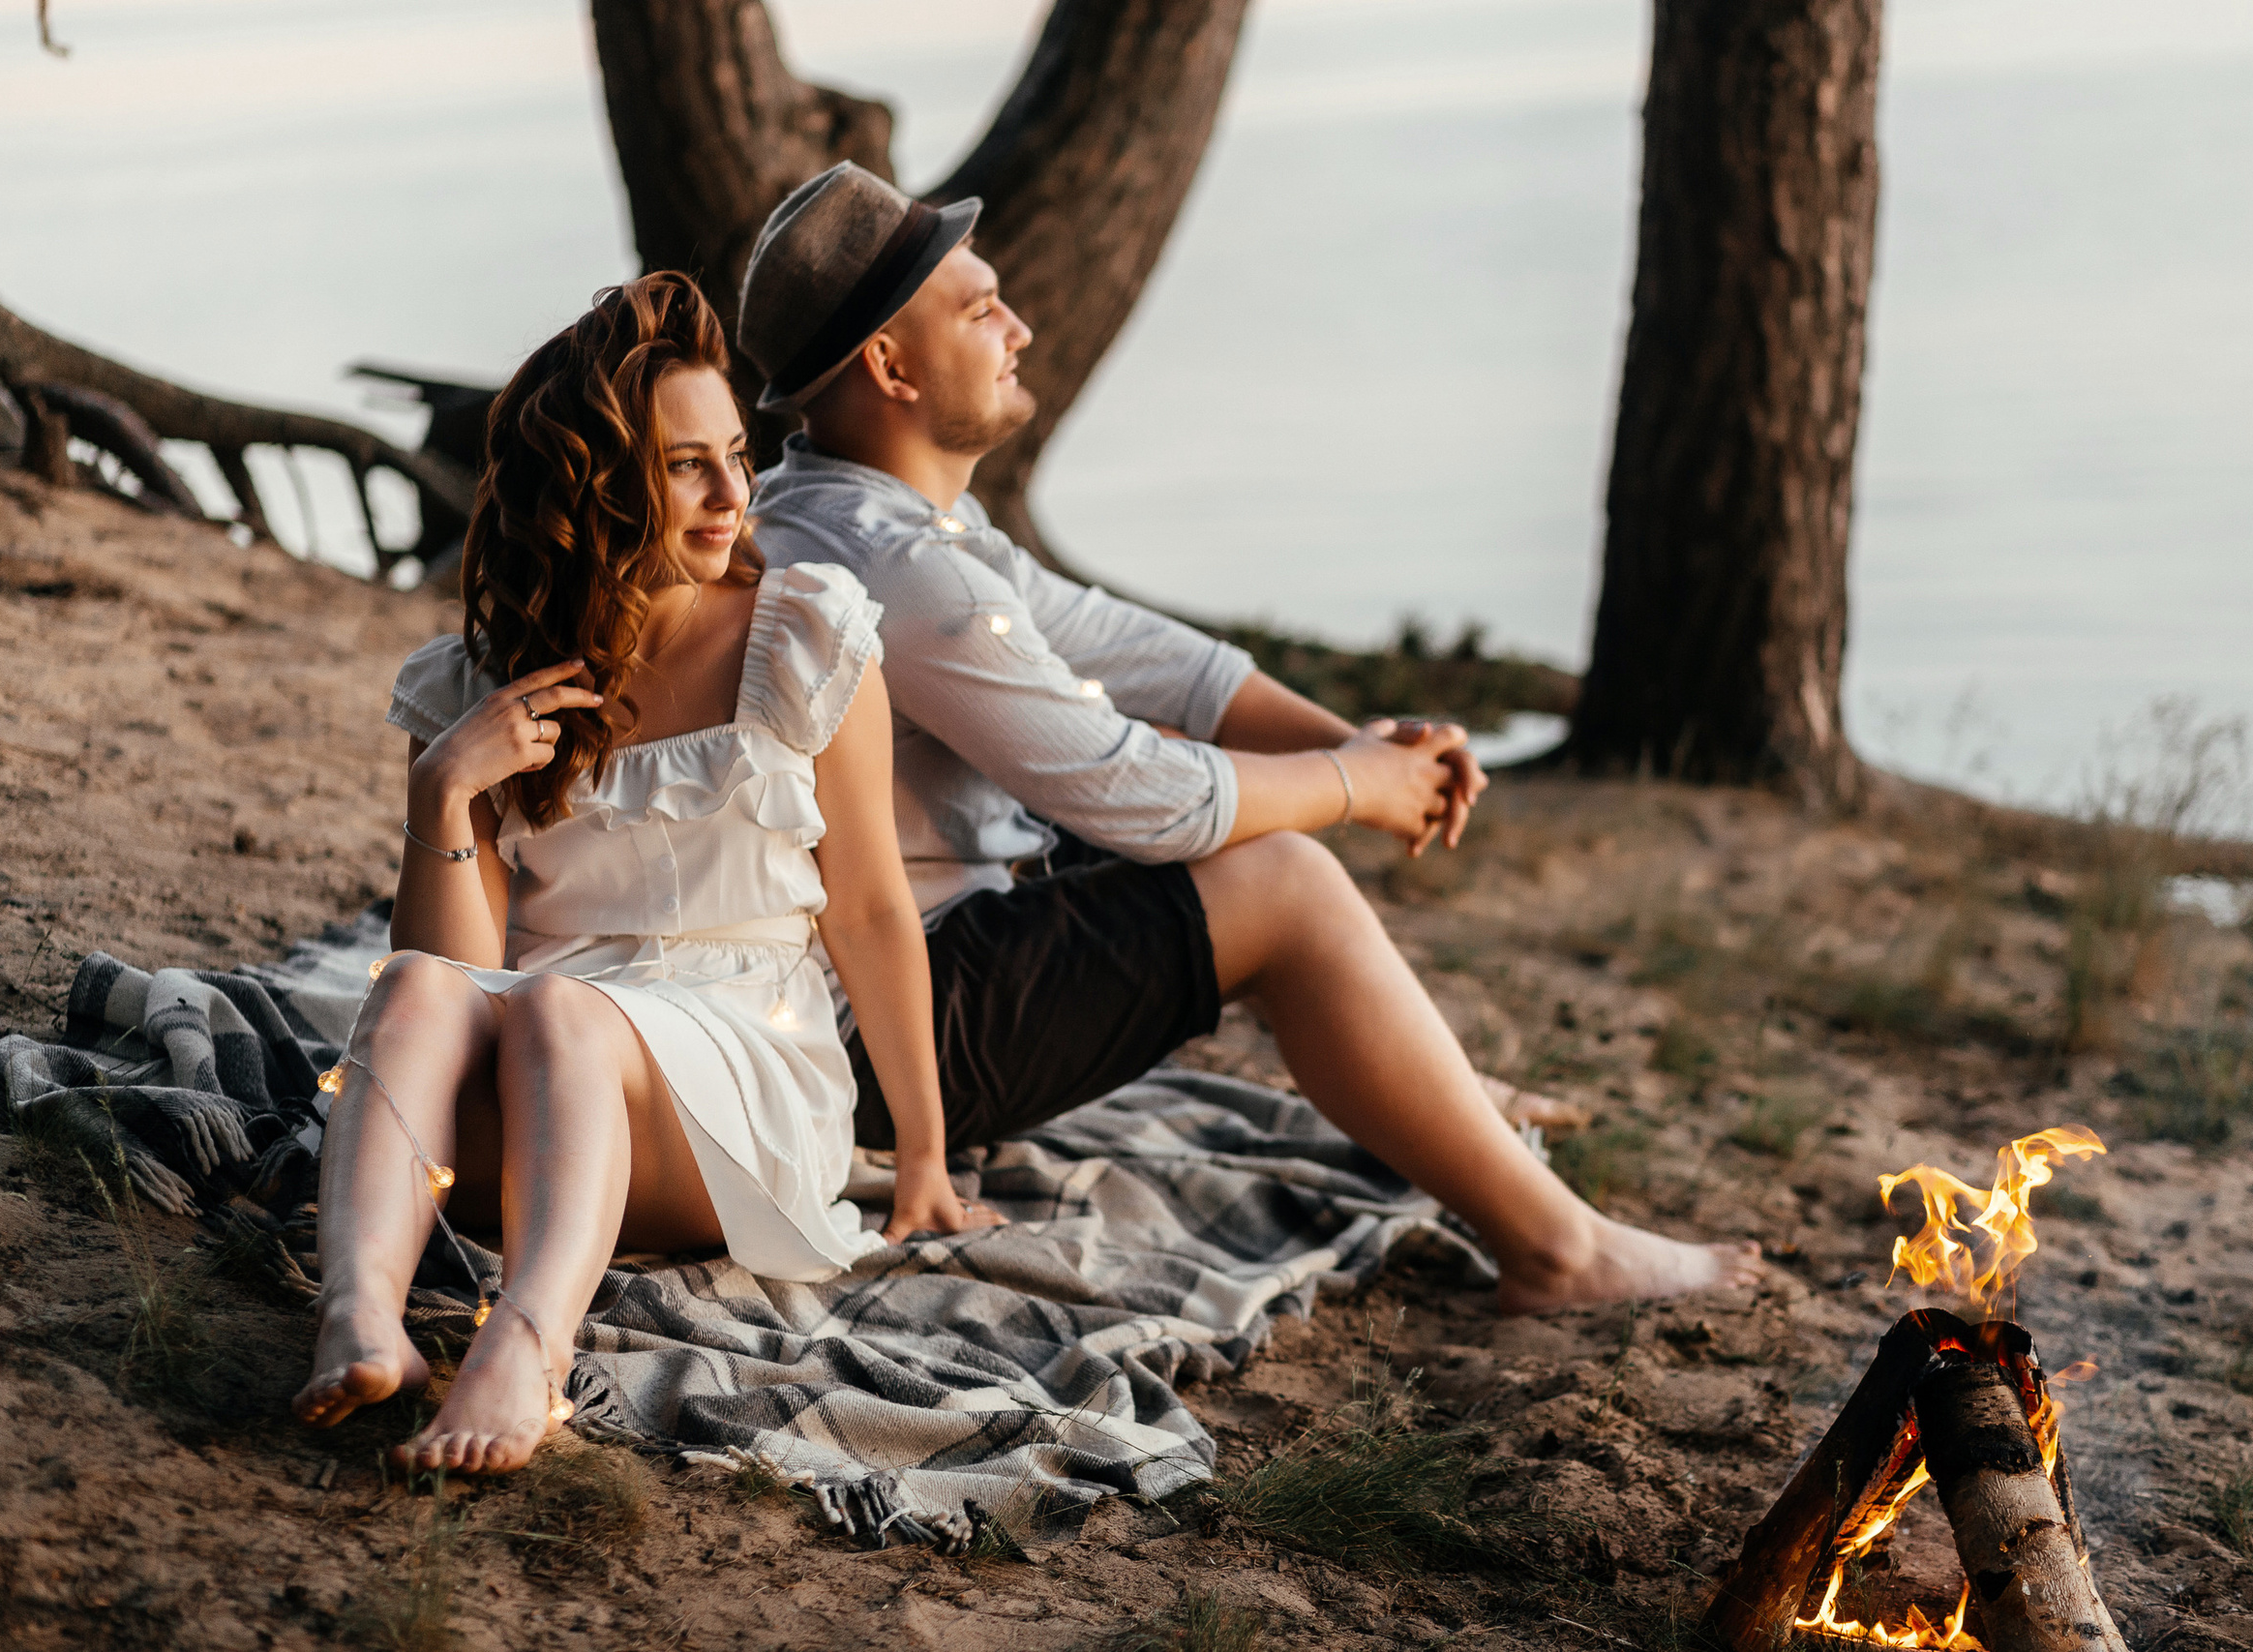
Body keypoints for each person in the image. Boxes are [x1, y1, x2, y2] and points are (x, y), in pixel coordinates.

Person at [735, 165, 1764, 1312]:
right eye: (981, 310)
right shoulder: (897, 569)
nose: (1019, 328)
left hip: (908, 967)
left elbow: (1161, 663)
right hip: (880, 1038)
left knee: (1197, 780)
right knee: (1282, 882)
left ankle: (1442, 1090)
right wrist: (1351, 783)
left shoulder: (873, 515)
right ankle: (1561, 1252)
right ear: (889, 365)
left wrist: (1378, 751)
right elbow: (1147, 803)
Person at [290, 272, 1001, 1475]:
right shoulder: (475, 691)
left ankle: (524, 1345)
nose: (736, 494)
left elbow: (874, 907)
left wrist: (922, 1160)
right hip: (540, 1080)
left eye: (737, 453)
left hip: (741, 1075)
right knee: (406, 994)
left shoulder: (807, 634)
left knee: (564, 1010)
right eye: (688, 465)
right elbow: (457, 974)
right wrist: (443, 795)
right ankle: (362, 1320)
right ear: (595, 483)